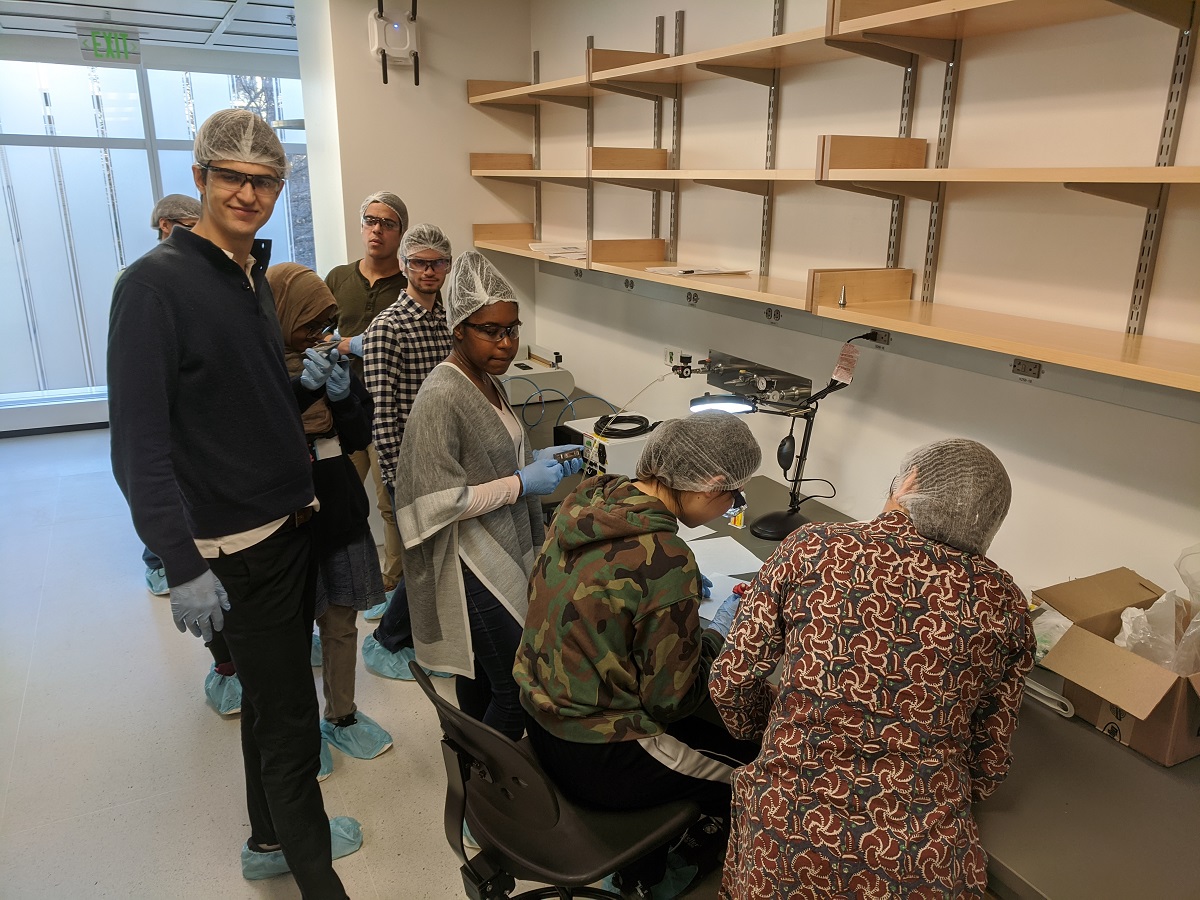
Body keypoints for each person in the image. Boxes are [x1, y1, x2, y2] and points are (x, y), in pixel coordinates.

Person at [108, 108, 359, 895]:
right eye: (232, 178)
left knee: (270, 700)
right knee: (290, 727)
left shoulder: (250, 273)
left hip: (286, 527)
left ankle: (267, 838)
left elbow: (226, 395)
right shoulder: (153, 287)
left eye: (265, 180)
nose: (248, 193)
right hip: (236, 551)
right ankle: (318, 878)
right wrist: (180, 564)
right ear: (200, 178)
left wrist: (297, 386)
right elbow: (139, 447)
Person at [709, 438, 1035, 900]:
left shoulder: (813, 546)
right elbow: (988, 765)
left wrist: (782, 729)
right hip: (919, 858)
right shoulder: (1003, 600)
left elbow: (730, 682)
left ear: (910, 483)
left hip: (786, 839)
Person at [514, 411, 763, 899]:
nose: (733, 505)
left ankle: (652, 853)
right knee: (761, 776)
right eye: (734, 494)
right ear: (711, 484)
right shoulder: (666, 558)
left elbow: (597, 597)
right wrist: (716, 630)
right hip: (601, 755)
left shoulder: (585, 505)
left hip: (541, 724)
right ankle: (647, 880)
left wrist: (668, 600)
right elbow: (671, 702)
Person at [392, 250, 583, 739]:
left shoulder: (490, 382)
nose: (507, 342)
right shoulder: (442, 395)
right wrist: (522, 483)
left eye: (513, 328)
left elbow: (494, 457)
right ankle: (483, 791)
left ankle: (468, 780)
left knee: (479, 684)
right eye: (490, 330)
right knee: (516, 694)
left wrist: (536, 465)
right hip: (468, 561)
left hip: (497, 542)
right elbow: (432, 502)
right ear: (458, 329)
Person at [268, 262, 394, 775]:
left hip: (336, 500)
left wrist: (341, 399)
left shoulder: (331, 361)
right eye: (310, 325)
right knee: (293, 628)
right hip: (285, 513)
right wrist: (298, 393)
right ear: (279, 316)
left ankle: (341, 715)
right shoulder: (256, 368)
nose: (324, 336)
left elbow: (361, 433)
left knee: (341, 619)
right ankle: (298, 734)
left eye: (329, 323)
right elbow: (259, 443)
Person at [340, 224, 457, 680]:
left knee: (438, 551)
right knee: (423, 554)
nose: (429, 271)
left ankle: (420, 631)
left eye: (438, 263)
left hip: (448, 455)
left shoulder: (450, 321)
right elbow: (380, 413)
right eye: (420, 263)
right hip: (410, 462)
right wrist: (394, 474)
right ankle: (390, 637)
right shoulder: (387, 327)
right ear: (404, 266)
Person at [324, 191, 410, 596]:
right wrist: (337, 344)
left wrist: (352, 344)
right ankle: (335, 577)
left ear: (401, 232)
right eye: (371, 221)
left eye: (387, 223)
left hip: (390, 410)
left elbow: (418, 339)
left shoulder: (411, 283)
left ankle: (392, 584)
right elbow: (317, 332)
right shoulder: (339, 278)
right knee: (333, 495)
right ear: (362, 227)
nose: (377, 230)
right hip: (343, 407)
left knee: (391, 502)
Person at [140, 193, 200, 597]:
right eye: (192, 228)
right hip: (161, 402)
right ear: (166, 224)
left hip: (193, 406)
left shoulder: (196, 275)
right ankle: (158, 559)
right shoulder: (142, 281)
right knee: (162, 481)